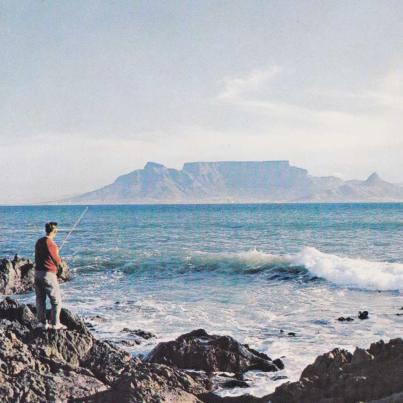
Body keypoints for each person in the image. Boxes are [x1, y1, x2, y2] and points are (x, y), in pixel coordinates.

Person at [34, 222, 67, 330]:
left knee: (40, 299)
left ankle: (42, 323)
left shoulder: (39, 242)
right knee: (56, 300)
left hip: (37, 273)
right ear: (54, 231)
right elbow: (57, 260)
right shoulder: (51, 244)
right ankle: (55, 324)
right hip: (48, 274)